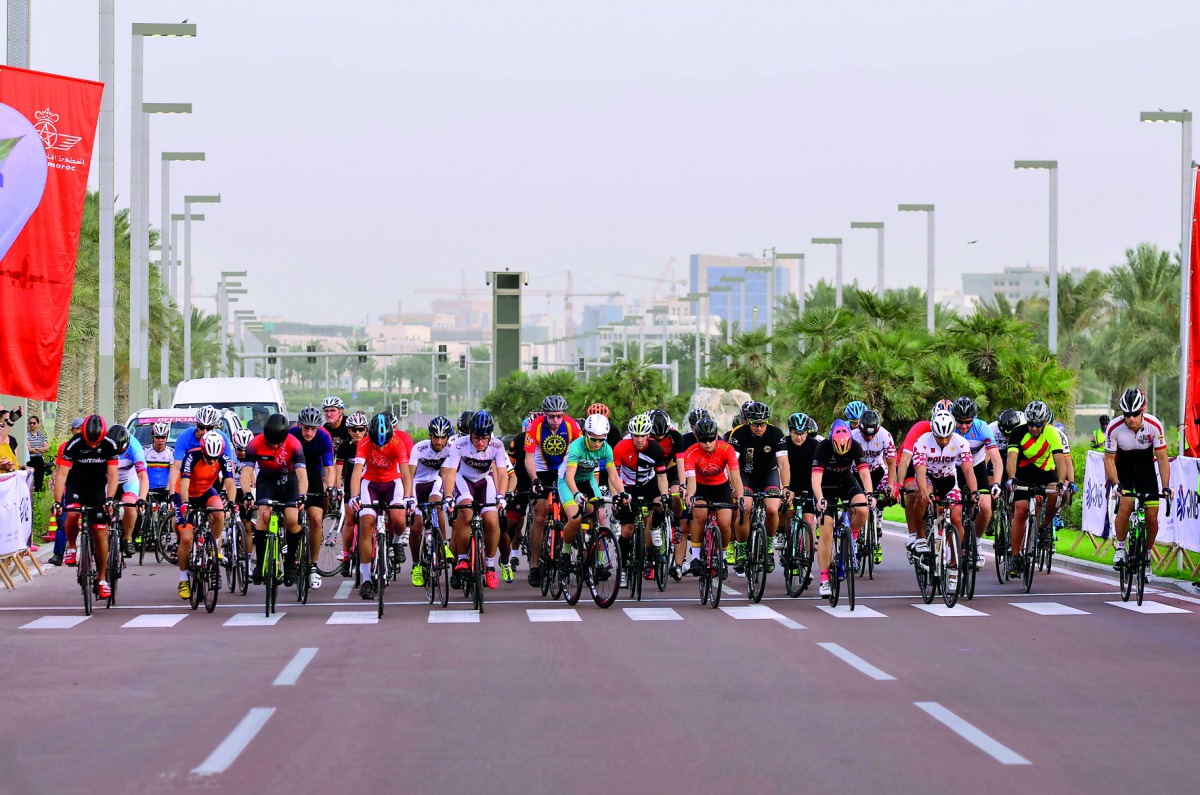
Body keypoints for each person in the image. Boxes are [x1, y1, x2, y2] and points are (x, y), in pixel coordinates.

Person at [439, 410, 510, 590]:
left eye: (484, 438)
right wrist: (447, 497)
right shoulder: (459, 444)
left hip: (484, 481)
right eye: (476, 437)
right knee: (465, 511)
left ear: (490, 436)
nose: (480, 442)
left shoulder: (497, 445)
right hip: (464, 480)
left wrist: (502, 495)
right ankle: (462, 559)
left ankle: (490, 565)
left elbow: (502, 474)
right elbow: (451, 472)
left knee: (492, 520)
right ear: (470, 433)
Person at [53, 415, 120, 599]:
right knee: (73, 514)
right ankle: (73, 547)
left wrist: (109, 498)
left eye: (95, 443)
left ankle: (101, 579)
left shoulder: (109, 445)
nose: (92, 445)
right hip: (76, 487)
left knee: (100, 532)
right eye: (88, 442)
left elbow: (113, 476)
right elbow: (61, 475)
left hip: (97, 489)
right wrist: (58, 501)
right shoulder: (74, 444)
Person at [1104, 388, 1171, 570]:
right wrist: (1116, 483)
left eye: (1135, 413)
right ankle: (1120, 548)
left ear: (1142, 410)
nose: (1131, 418)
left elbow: (1163, 458)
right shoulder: (1114, 428)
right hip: (1124, 469)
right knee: (1124, 507)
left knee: (1152, 517)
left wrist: (1165, 486)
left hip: (1145, 469)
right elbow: (1109, 460)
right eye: (1127, 414)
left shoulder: (1154, 425)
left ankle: (1147, 555)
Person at [346, 413, 411, 600]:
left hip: (393, 483)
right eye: (377, 443)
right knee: (366, 524)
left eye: (384, 443)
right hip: (371, 484)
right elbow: (357, 473)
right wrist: (354, 496)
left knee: (399, 518)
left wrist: (408, 497)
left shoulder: (398, 443)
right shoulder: (365, 443)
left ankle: (397, 542)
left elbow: (406, 475)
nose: (380, 447)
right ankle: (366, 579)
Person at [240, 413, 309, 587]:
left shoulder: (294, 444)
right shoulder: (255, 444)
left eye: (278, 443)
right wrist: (247, 493)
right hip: (267, 482)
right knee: (263, 517)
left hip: (289, 483)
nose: (274, 445)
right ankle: (261, 563)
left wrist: (302, 496)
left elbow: (302, 475)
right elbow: (246, 472)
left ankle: (290, 560)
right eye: (270, 442)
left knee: (292, 520)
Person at [1004, 400, 1068, 579]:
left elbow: (1060, 461)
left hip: (1045, 473)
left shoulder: (1053, 433)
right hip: (1023, 473)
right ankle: (1015, 557)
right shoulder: (1018, 432)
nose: (1033, 428)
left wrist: (1062, 482)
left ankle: (1046, 525)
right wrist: (1011, 479)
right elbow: (1011, 458)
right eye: (1030, 424)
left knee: (1059, 495)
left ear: (1045, 423)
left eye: (1037, 425)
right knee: (1021, 510)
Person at [524, 395, 582, 588]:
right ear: (545, 415)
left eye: (558, 416)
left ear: (564, 414)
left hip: (565, 471)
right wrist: (534, 479)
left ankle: (566, 545)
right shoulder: (535, 426)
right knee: (540, 516)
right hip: (542, 472)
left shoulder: (573, 426)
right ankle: (534, 565)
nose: (555, 420)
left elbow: (581, 452)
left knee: (571, 512)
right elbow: (529, 457)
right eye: (551, 416)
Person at [911, 411, 978, 580]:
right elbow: (920, 472)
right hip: (928, 478)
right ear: (933, 432)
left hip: (948, 480)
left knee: (956, 518)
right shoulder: (922, 442)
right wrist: (925, 492)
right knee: (921, 493)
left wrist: (975, 492)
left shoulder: (961, 442)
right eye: (940, 437)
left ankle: (954, 565)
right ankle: (920, 537)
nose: (943, 441)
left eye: (947, 437)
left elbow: (968, 469)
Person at [811, 420, 873, 599]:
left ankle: (850, 539)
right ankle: (824, 579)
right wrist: (820, 499)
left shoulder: (855, 445)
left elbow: (863, 473)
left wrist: (869, 494)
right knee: (826, 530)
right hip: (825, 486)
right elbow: (816, 479)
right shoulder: (822, 448)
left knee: (862, 509)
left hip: (846, 481)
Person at [557, 413, 626, 569]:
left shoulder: (606, 449)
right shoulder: (576, 446)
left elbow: (613, 476)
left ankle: (600, 563)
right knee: (574, 518)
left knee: (600, 518)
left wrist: (622, 493)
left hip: (587, 480)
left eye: (601, 439)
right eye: (593, 439)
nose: (597, 443)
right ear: (586, 434)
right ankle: (565, 551)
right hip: (568, 482)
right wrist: (576, 494)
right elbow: (569, 477)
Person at [728, 401, 789, 576]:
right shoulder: (738, 434)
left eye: (763, 424)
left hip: (768, 476)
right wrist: (735, 487)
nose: (759, 428)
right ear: (748, 421)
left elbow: (783, 465)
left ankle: (769, 548)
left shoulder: (776, 433)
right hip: (745, 476)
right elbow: (732, 464)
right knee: (744, 508)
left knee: (772, 509)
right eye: (755, 424)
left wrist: (785, 487)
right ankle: (741, 549)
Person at [175, 431, 236, 600]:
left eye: (215, 458)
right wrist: (186, 504)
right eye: (209, 457)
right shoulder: (191, 456)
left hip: (205, 491)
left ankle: (214, 549)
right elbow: (184, 483)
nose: (212, 461)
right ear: (202, 450)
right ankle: (183, 579)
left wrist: (231, 502)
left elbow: (230, 483)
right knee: (186, 538)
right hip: (185, 493)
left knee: (219, 511)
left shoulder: (222, 458)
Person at [613, 414, 669, 586]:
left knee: (662, 504)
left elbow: (661, 477)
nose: (639, 440)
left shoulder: (655, 449)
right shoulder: (621, 447)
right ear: (631, 434)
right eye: (635, 436)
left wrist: (665, 495)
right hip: (627, 486)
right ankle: (622, 569)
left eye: (643, 436)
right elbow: (613, 475)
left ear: (648, 435)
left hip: (648, 483)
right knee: (627, 531)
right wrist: (617, 494)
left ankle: (654, 528)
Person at [684, 417, 743, 576]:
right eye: (703, 439)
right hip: (700, 487)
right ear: (697, 437)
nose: (708, 443)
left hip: (721, 487)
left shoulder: (727, 449)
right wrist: (690, 495)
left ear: (717, 435)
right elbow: (691, 480)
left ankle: (722, 558)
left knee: (724, 523)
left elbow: (735, 477)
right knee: (700, 515)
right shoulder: (691, 452)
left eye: (711, 439)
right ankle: (695, 558)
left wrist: (740, 494)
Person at [950, 396, 1002, 567]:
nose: (964, 426)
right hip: (954, 467)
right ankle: (950, 546)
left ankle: (977, 543)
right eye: (960, 422)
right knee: (950, 508)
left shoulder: (982, 428)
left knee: (986, 507)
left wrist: (996, 483)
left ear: (974, 419)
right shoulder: (949, 428)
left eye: (968, 422)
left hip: (976, 466)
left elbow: (996, 459)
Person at [289, 407, 337, 590]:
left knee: (316, 519)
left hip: (314, 476)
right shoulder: (291, 434)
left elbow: (330, 467)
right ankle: (290, 547)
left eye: (313, 428)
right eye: (306, 428)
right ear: (300, 425)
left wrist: (331, 487)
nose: (309, 432)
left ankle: (313, 566)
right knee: (291, 516)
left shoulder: (324, 437)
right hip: (293, 476)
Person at [408, 416, 455, 586]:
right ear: (430, 435)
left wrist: (448, 497)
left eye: (443, 437)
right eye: (436, 437)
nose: (439, 441)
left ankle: (443, 545)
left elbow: (445, 474)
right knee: (416, 527)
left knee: (436, 505)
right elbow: (410, 475)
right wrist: (409, 499)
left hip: (434, 481)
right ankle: (416, 566)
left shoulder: (450, 448)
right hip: (416, 484)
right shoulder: (419, 448)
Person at [851, 409, 896, 565]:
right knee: (854, 505)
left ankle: (878, 516)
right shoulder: (853, 436)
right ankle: (854, 541)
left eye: (872, 434)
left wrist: (890, 485)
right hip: (856, 473)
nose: (869, 438)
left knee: (894, 495)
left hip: (877, 471)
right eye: (866, 434)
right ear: (860, 429)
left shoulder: (885, 435)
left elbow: (891, 463)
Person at [335, 412, 369, 576]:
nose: (357, 432)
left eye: (360, 429)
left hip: (369, 486)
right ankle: (346, 558)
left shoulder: (371, 445)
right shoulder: (344, 447)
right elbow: (338, 470)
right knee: (349, 518)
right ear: (348, 431)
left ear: (365, 430)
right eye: (353, 429)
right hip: (350, 487)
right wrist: (336, 488)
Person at [107, 424, 149, 558]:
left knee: (130, 506)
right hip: (108, 479)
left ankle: (128, 538)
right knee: (104, 506)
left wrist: (142, 498)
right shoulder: (104, 445)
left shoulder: (135, 448)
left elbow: (143, 476)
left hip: (128, 479)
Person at [48, 419, 85, 565]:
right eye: (77, 429)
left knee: (93, 521)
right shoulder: (65, 447)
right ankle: (58, 554)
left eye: (82, 429)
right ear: (72, 431)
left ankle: (93, 553)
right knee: (63, 521)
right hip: (69, 488)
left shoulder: (92, 446)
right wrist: (57, 499)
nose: (79, 432)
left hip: (88, 488)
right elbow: (60, 471)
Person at [25, 415, 49, 492]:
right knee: (29, 479)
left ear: (38, 424)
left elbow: (47, 448)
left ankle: (38, 495)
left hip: (39, 459)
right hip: (30, 459)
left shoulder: (41, 434)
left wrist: (36, 449)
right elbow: (29, 449)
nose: (32, 425)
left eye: (34, 423)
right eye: (30, 423)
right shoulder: (26, 434)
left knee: (39, 479)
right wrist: (41, 449)